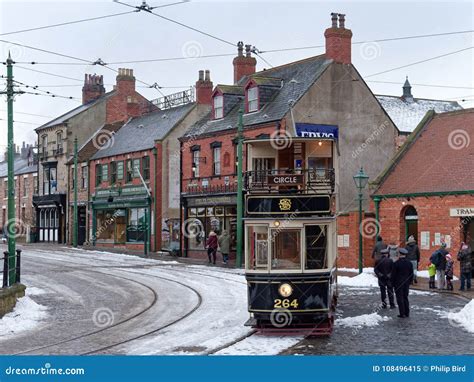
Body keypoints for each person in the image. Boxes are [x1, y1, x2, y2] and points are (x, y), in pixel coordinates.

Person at [391, 248, 413, 318]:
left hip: (398, 283)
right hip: (406, 283)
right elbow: (411, 274)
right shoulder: (409, 263)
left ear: (399, 254)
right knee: (405, 297)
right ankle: (407, 313)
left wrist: (392, 283)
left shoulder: (396, 263)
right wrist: (410, 282)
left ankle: (402, 313)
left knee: (399, 298)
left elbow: (393, 275)